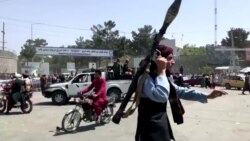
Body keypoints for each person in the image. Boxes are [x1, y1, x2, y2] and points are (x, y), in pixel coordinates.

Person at [132, 45, 227, 141]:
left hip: (161, 125)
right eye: (170, 58)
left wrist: (207, 95)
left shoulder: (163, 77)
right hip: (148, 130)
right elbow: (161, 96)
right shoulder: (146, 78)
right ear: (159, 60)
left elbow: (180, 91)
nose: (173, 61)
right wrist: (162, 71)